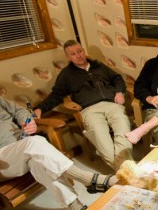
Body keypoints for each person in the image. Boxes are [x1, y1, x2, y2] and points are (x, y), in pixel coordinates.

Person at [0, 91, 119, 210]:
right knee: (35, 143)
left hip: (20, 148)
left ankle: (75, 207)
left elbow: (18, 110)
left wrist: (27, 120)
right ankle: (87, 179)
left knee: (38, 162)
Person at [34, 40, 133, 170]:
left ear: (83, 51)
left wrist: (119, 92)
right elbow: (56, 95)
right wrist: (41, 108)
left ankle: (126, 172)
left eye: (79, 51)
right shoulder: (66, 74)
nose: (78, 55)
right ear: (68, 57)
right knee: (101, 139)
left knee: (124, 131)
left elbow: (117, 78)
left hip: (112, 104)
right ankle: (128, 170)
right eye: (73, 54)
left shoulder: (99, 66)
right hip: (90, 110)